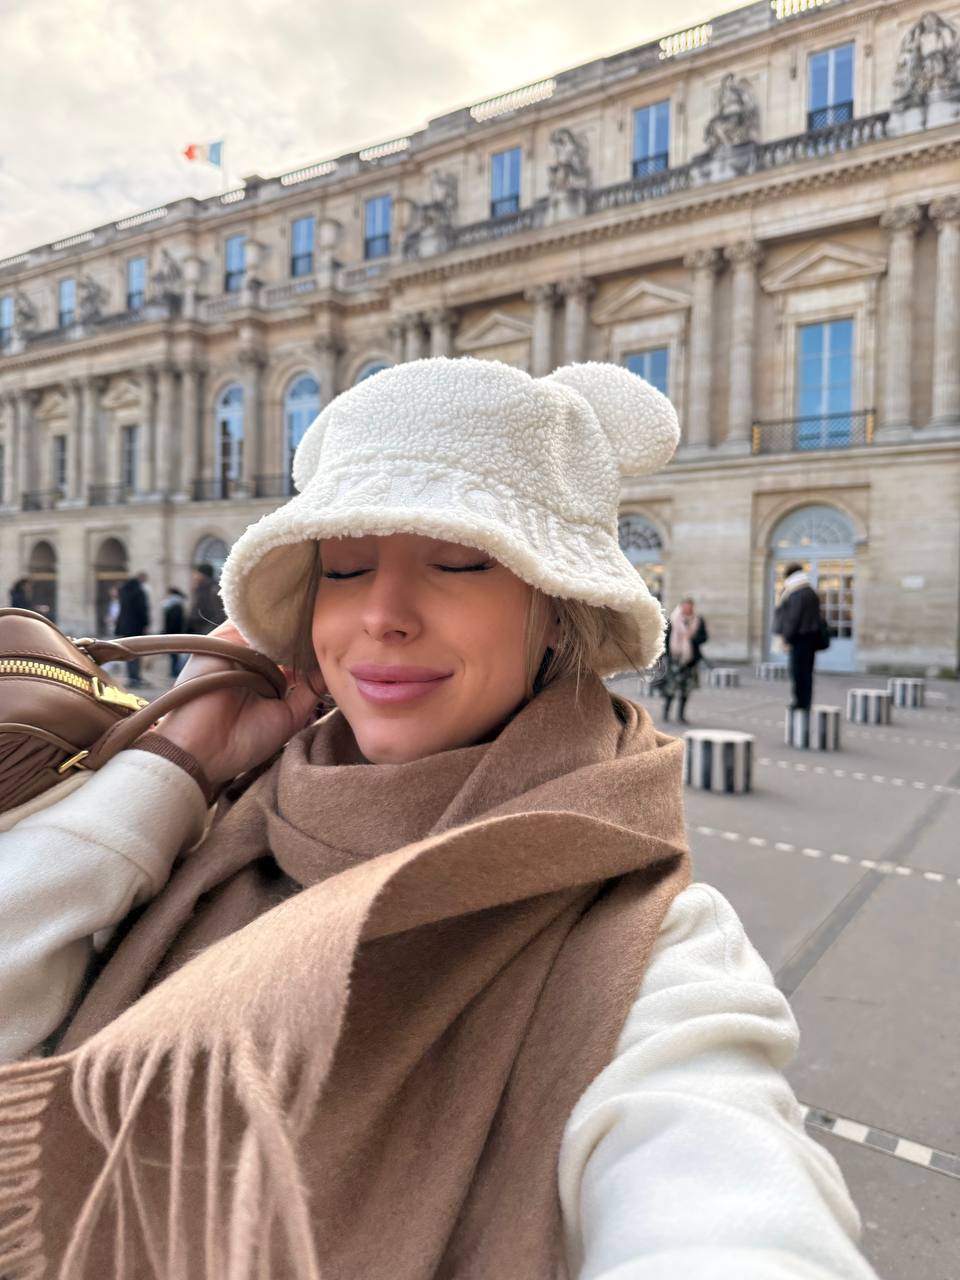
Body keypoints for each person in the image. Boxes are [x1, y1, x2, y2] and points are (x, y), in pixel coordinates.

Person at [0, 359, 876, 1280]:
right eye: (344, 568)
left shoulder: (651, 943)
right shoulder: (209, 832)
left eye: (459, 560)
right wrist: (177, 764)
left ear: (557, 610)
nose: (382, 614)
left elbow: (726, 1191)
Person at [774, 561, 827, 712]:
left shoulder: (797, 592)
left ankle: (800, 702)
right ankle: (805, 701)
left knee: (798, 672)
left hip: (800, 638)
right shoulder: (809, 590)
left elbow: (793, 618)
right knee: (806, 672)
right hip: (809, 638)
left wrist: (787, 638)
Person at [652, 596, 708, 723]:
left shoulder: (698, 621)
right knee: (670, 689)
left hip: (690, 661)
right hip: (674, 660)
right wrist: (660, 657)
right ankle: (666, 713)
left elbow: (704, 637)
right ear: (682, 606)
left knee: (686, 690)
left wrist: (692, 638)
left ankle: (681, 715)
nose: (689, 609)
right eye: (686, 606)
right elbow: (664, 640)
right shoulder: (672, 620)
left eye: (691, 606)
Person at [115, 572, 150, 687]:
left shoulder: (123, 591)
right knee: (137, 652)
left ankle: (131, 676)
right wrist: (146, 624)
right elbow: (142, 610)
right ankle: (135, 677)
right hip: (136, 626)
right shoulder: (139, 592)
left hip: (125, 626)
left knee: (128, 652)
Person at [186, 560, 227, 635]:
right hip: (197, 630)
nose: (194, 576)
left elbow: (219, 615)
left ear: (204, 574)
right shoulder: (201, 588)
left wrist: (207, 633)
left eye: (197, 573)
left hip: (206, 632)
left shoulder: (213, 590)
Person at [161, 585, 188, 678]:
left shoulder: (174, 605)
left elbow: (173, 621)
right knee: (173, 654)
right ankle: (174, 671)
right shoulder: (175, 604)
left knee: (174, 654)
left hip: (173, 632)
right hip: (174, 632)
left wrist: (167, 632)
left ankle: (175, 671)